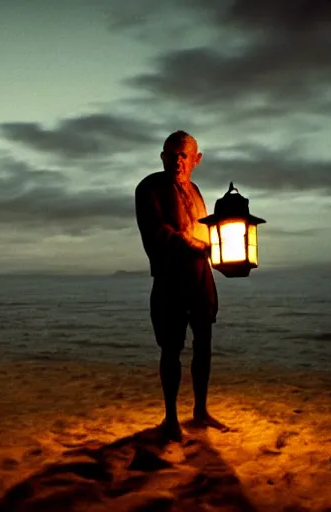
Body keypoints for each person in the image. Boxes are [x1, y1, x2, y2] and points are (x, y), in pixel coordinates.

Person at [135, 130, 230, 442]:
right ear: (162, 156)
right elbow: (155, 232)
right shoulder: (149, 188)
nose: (177, 160)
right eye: (171, 153)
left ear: (196, 160)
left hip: (201, 277)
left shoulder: (197, 190)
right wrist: (190, 243)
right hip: (169, 279)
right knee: (171, 348)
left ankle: (200, 410)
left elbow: (205, 233)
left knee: (203, 343)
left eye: (183, 155)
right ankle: (171, 417)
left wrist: (222, 249)